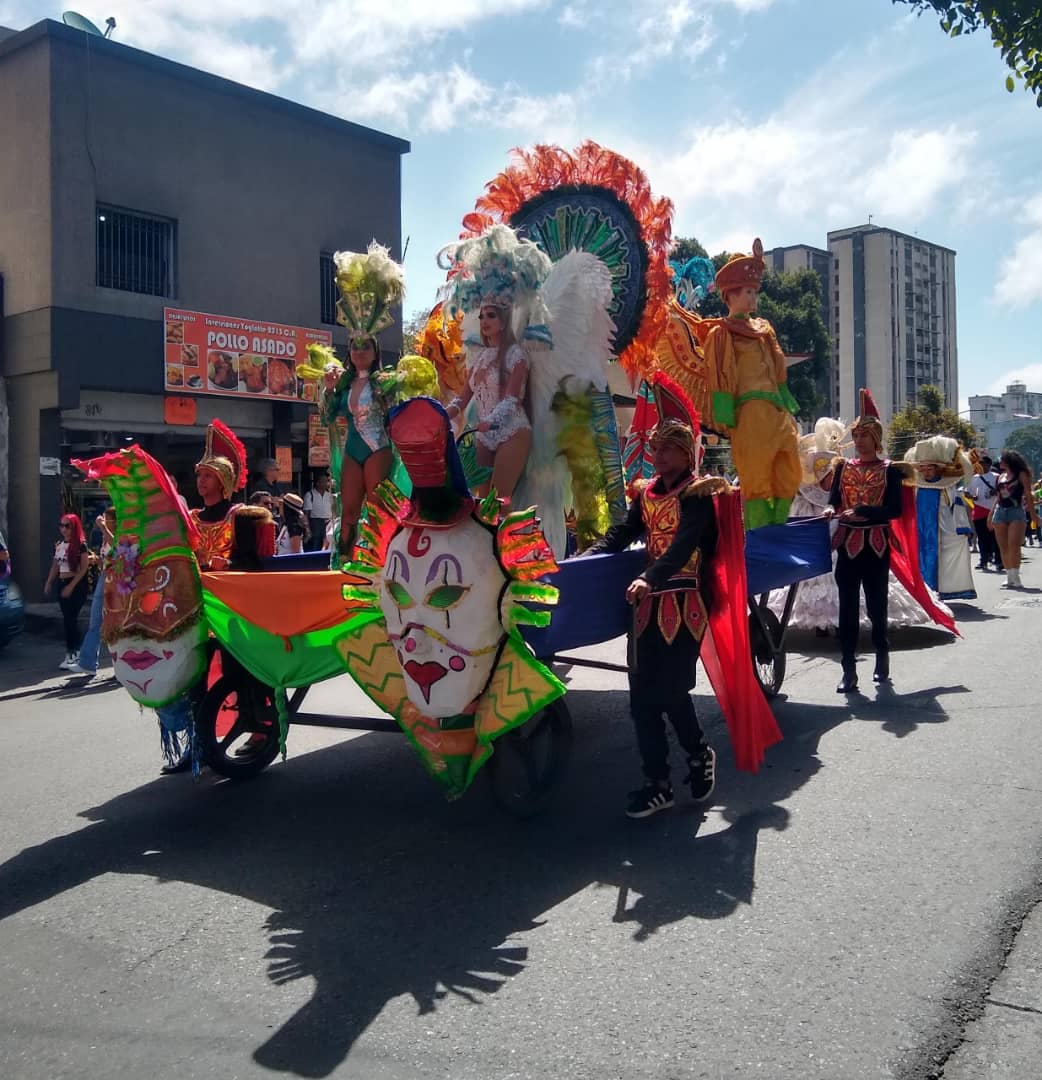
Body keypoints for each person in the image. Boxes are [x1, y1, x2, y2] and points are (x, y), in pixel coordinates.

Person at [585, 417, 724, 818]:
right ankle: (658, 785)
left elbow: (683, 546)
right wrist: (584, 559)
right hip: (646, 607)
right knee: (641, 698)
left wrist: (649, 577)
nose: (658, 456)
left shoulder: (697, 494)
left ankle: (699, 753)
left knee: (672, 691)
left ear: (685, 453)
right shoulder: (645, 493)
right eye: (655, 448)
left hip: (685, 602)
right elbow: (623, 533)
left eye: (667, 449)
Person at [703, 238, 802, 529]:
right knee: (756, 478)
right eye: (747, 292)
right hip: (749, 412)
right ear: (730, 295)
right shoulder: (721, 334)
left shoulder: (764, 329)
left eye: (754, 292)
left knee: (790, 471)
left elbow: (777, 366)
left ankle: (777, 526)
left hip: (775, 409)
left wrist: (785, 401)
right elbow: (718, 374)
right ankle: (761, 535)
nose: (753, 298)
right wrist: (725, 413)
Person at [824, 390, 903, 694]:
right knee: (846, 609)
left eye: (864, 435)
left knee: (875, 606)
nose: (858, 440)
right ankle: (849, 669)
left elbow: (895, 510)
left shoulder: (890, 470)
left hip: (876, 545)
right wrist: (830, 510)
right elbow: (834, 499)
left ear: (876, 438)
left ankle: (882, 653)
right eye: (856, 435)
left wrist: (865, 510)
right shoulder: (842, 467)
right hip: (848, 544)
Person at [446, 302, 532, 502]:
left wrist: (491, 420)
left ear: (503, 321)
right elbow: (462, 398)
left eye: (491, 315)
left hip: (512, 430)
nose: (484, 321)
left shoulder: (516, 355)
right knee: (481, 503)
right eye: (481, 316)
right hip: (484, 435)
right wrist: (441, 414)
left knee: (498, 501)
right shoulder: (480, 358)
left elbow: (512, 399)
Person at [903, 437, 977, 602]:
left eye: (930, 468)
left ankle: (938, 592)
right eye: (923, 468)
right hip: (919, 529)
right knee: (918, 559)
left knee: (943, 559)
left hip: (942, 530)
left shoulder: (947, 487)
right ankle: (922, 592)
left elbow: (957, 507)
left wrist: (963, 528)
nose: (926, 472)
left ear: (937, 469)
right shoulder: (916, 487)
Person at [69, 507, 116, 678]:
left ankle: (119, 666)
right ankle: (87, 662)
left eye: (107, 519)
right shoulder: (105, 538)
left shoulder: (118, 535)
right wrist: (97, 560)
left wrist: (103, 528)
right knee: (96, 620)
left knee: (114, 622)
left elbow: (118, 547)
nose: (104, 521)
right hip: (105, 576)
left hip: (115, 579)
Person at [44, 513, 91, 670]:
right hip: (62, 583)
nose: (63, 529)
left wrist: (71, 586)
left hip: (76, 585)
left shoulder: (81, 545)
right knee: (67, 619)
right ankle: (73, 652)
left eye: (67, 526)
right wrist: (49, 582)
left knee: (71, 619)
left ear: (74, 527)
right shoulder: (59, 545)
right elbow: (55, 565)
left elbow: (83, 568)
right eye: (61, 526)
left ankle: (74, 653)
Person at [988, 449, 1038, 589]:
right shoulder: (1001, 476)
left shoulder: (1021, 474)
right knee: (1003, 546)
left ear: (1009, 461)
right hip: (1000, 511)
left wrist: (1033, 515)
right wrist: (990, 514)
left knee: (1014, 545)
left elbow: (1028, 494)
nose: (1000, 462)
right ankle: (1009, 576)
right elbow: (998, 497)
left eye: (1002, 459)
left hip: (1016, 511)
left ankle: (1016, 575)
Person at [965, 455, 1002, 571]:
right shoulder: (974, 478)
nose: (980, 465)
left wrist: (995, 492)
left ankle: (998, 561)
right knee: (982, 538)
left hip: (993, 510)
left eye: (983, 463)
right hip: (979, 511)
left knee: (995, 537)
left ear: (989, 465)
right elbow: (967, 492)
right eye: (979, 463)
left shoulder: (996, 477)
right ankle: (983, 560)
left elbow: (1003, 491)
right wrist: (971, 496)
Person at [302, 472, 332, 551]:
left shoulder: (329, 495)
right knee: (316, 544)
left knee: (328, 543)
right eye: (324, 481)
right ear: (318, 483)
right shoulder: (310, 495)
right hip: (316, 523)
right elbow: (306, 513)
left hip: (328, 522)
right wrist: (307, 529)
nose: (326, 484)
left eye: (327, 481)